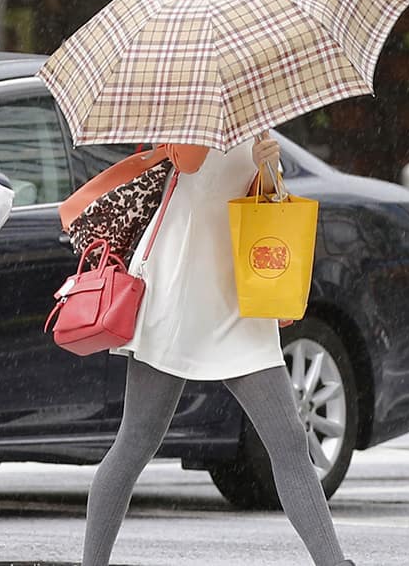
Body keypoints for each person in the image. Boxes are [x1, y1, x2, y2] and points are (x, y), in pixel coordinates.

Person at [79, 133, 355, 566]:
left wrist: (267, 166)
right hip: (177, 291)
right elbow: (188, 162)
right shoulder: (186, 99)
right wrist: (211, 119)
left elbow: (258, 198)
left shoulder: (255, 113)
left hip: (240, 294)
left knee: (287, 441)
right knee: (136, 442)